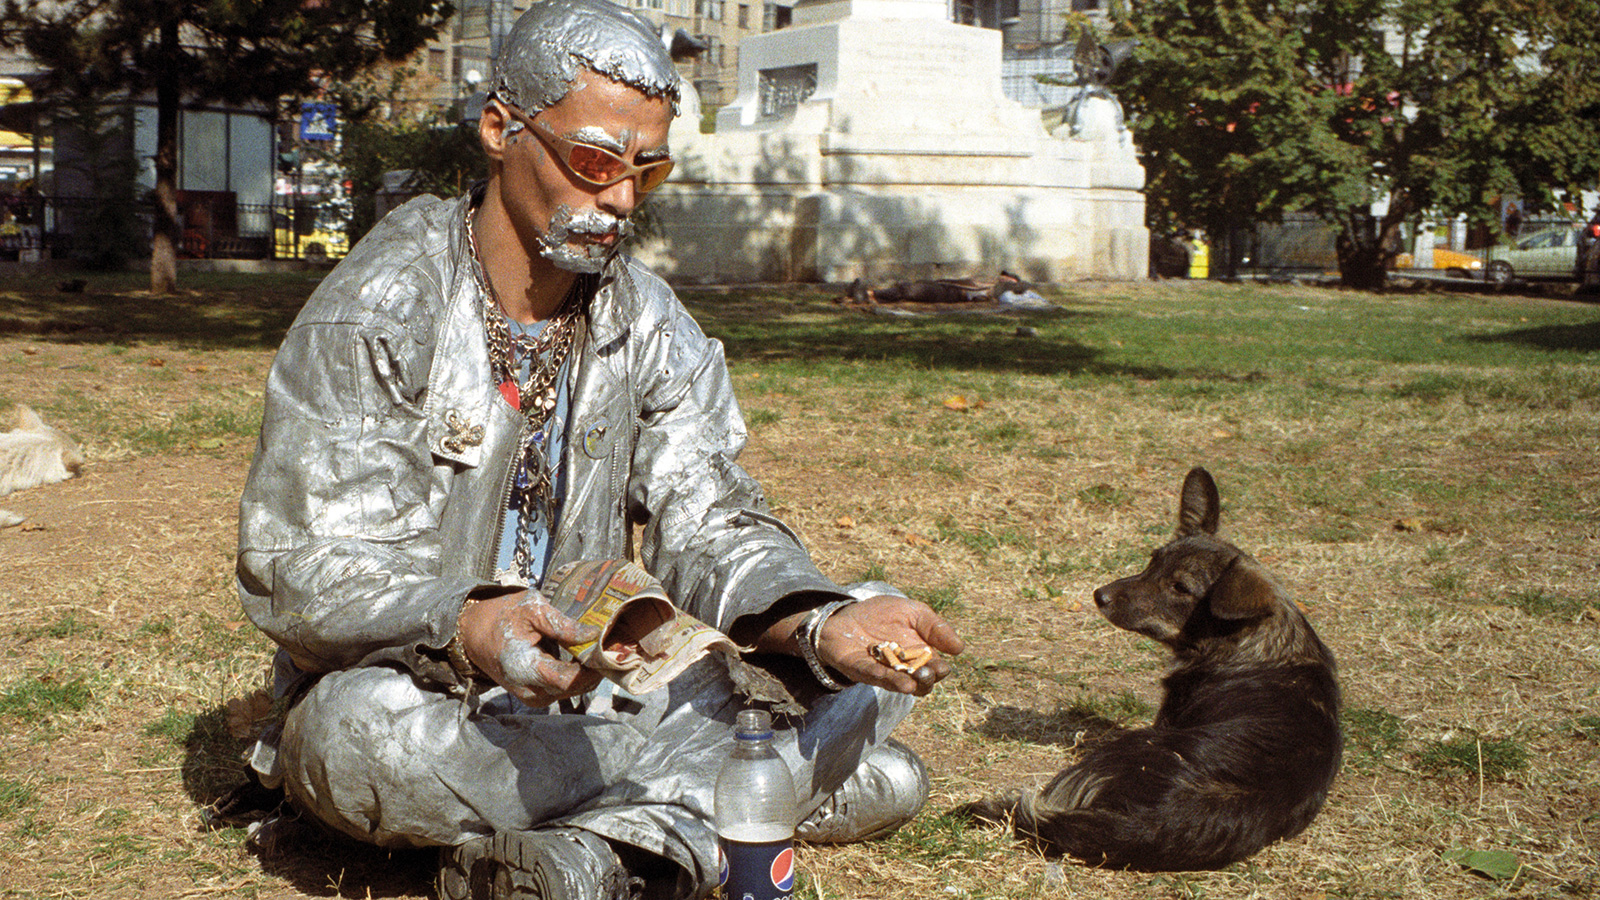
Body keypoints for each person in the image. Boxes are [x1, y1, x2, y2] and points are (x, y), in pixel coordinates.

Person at [233, 1, 964, 899]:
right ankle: (731, 800)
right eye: (594, 161)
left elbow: (712, 516)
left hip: (605, 689)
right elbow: (306, 566)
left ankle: (612, 849)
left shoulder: (647, 319)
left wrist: (817, 626)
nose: (619, 198)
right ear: (502, 130)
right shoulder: (379, 311)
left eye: (646, 172)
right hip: (423, 693)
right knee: (356, 738)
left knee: (868, 631)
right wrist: (470, 623)